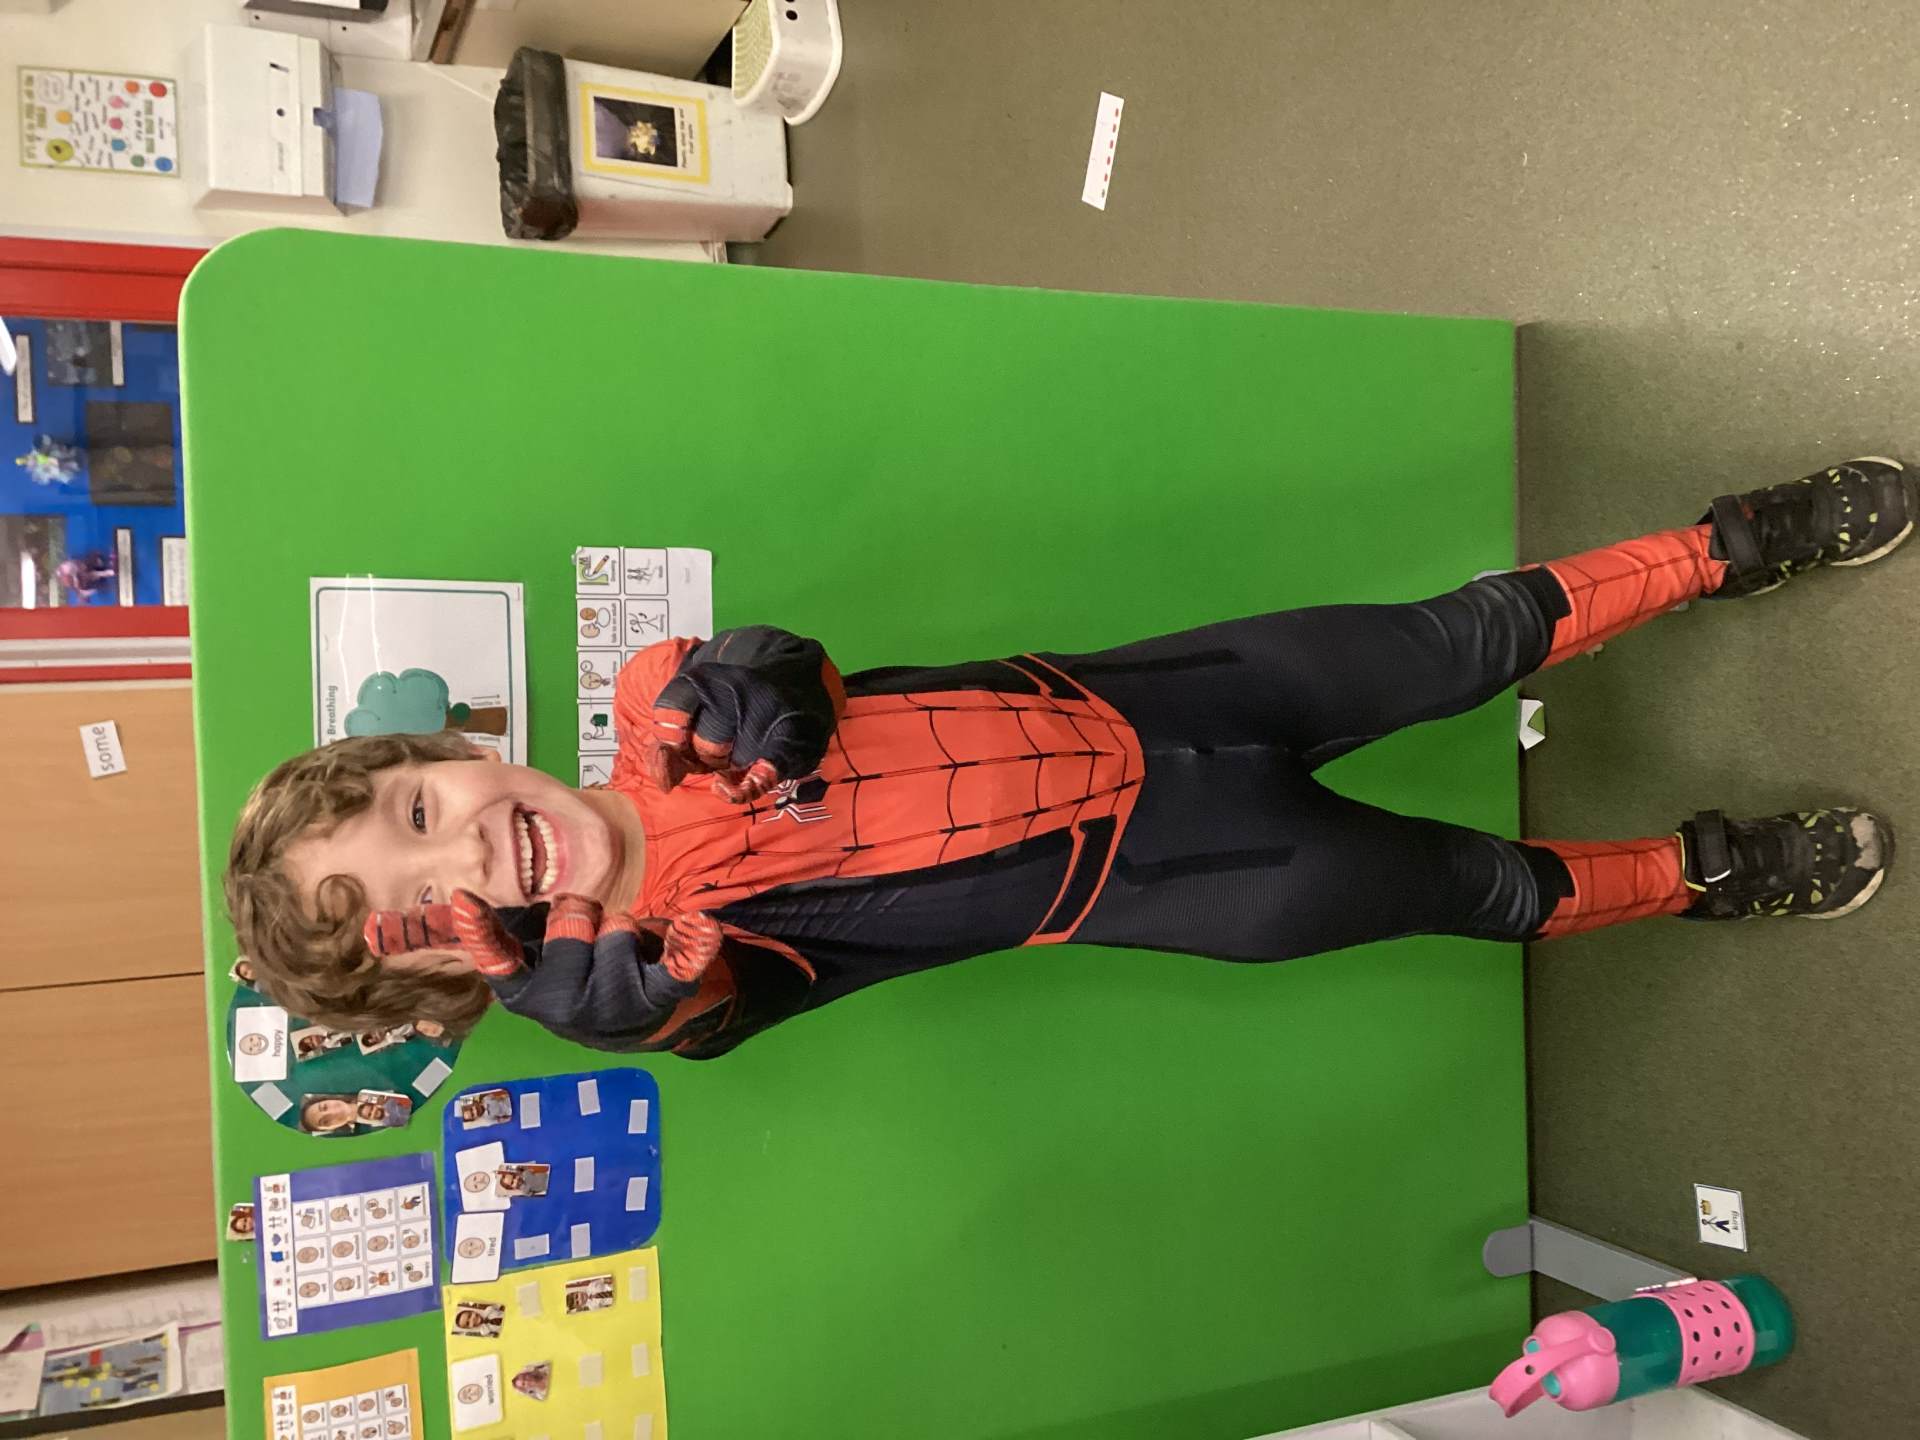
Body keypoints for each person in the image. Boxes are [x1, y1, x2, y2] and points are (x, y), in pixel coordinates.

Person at [226, 461, 1909, 1059]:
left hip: (1171, 696)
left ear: (456, 750)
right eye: (418, 904)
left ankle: (1723, 546)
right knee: (1481, 886)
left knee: (1464, 634)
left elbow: (780, 672)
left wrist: (759, 686)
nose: (462, 856)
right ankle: (1707, 875)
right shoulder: (672, 970)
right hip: (1208, 880)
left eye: (420, 808)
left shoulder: (661, 697)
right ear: (453, 971)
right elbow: (716, 1011)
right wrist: (630, 1004)